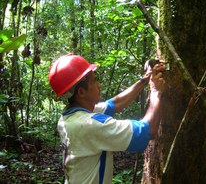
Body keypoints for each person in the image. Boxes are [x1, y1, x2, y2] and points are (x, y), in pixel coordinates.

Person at [48, 53, 165, 184]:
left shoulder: (68, 118)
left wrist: (145, 79)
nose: (99, 85)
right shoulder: (90, 125)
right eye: (94, 81)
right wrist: (156, 91)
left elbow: (115, 104)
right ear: (81, 92)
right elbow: (148, 131)